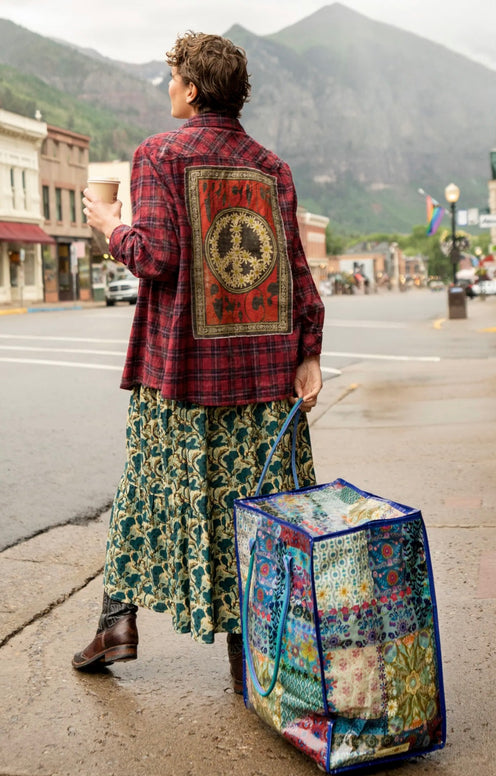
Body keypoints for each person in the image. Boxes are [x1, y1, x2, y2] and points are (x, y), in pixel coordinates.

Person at [72, 32, 324, 693]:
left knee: (146, 496)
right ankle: (254, 662)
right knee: (257, 511)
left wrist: (106, 223)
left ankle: (117, 622)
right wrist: (311, 353)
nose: (168, 89)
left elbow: (153, 258)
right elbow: (296, 273)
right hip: (265, 377)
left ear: (189, 88)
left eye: (172, 79)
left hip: (180, 378)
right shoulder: (273, 169)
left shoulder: (157, 155)